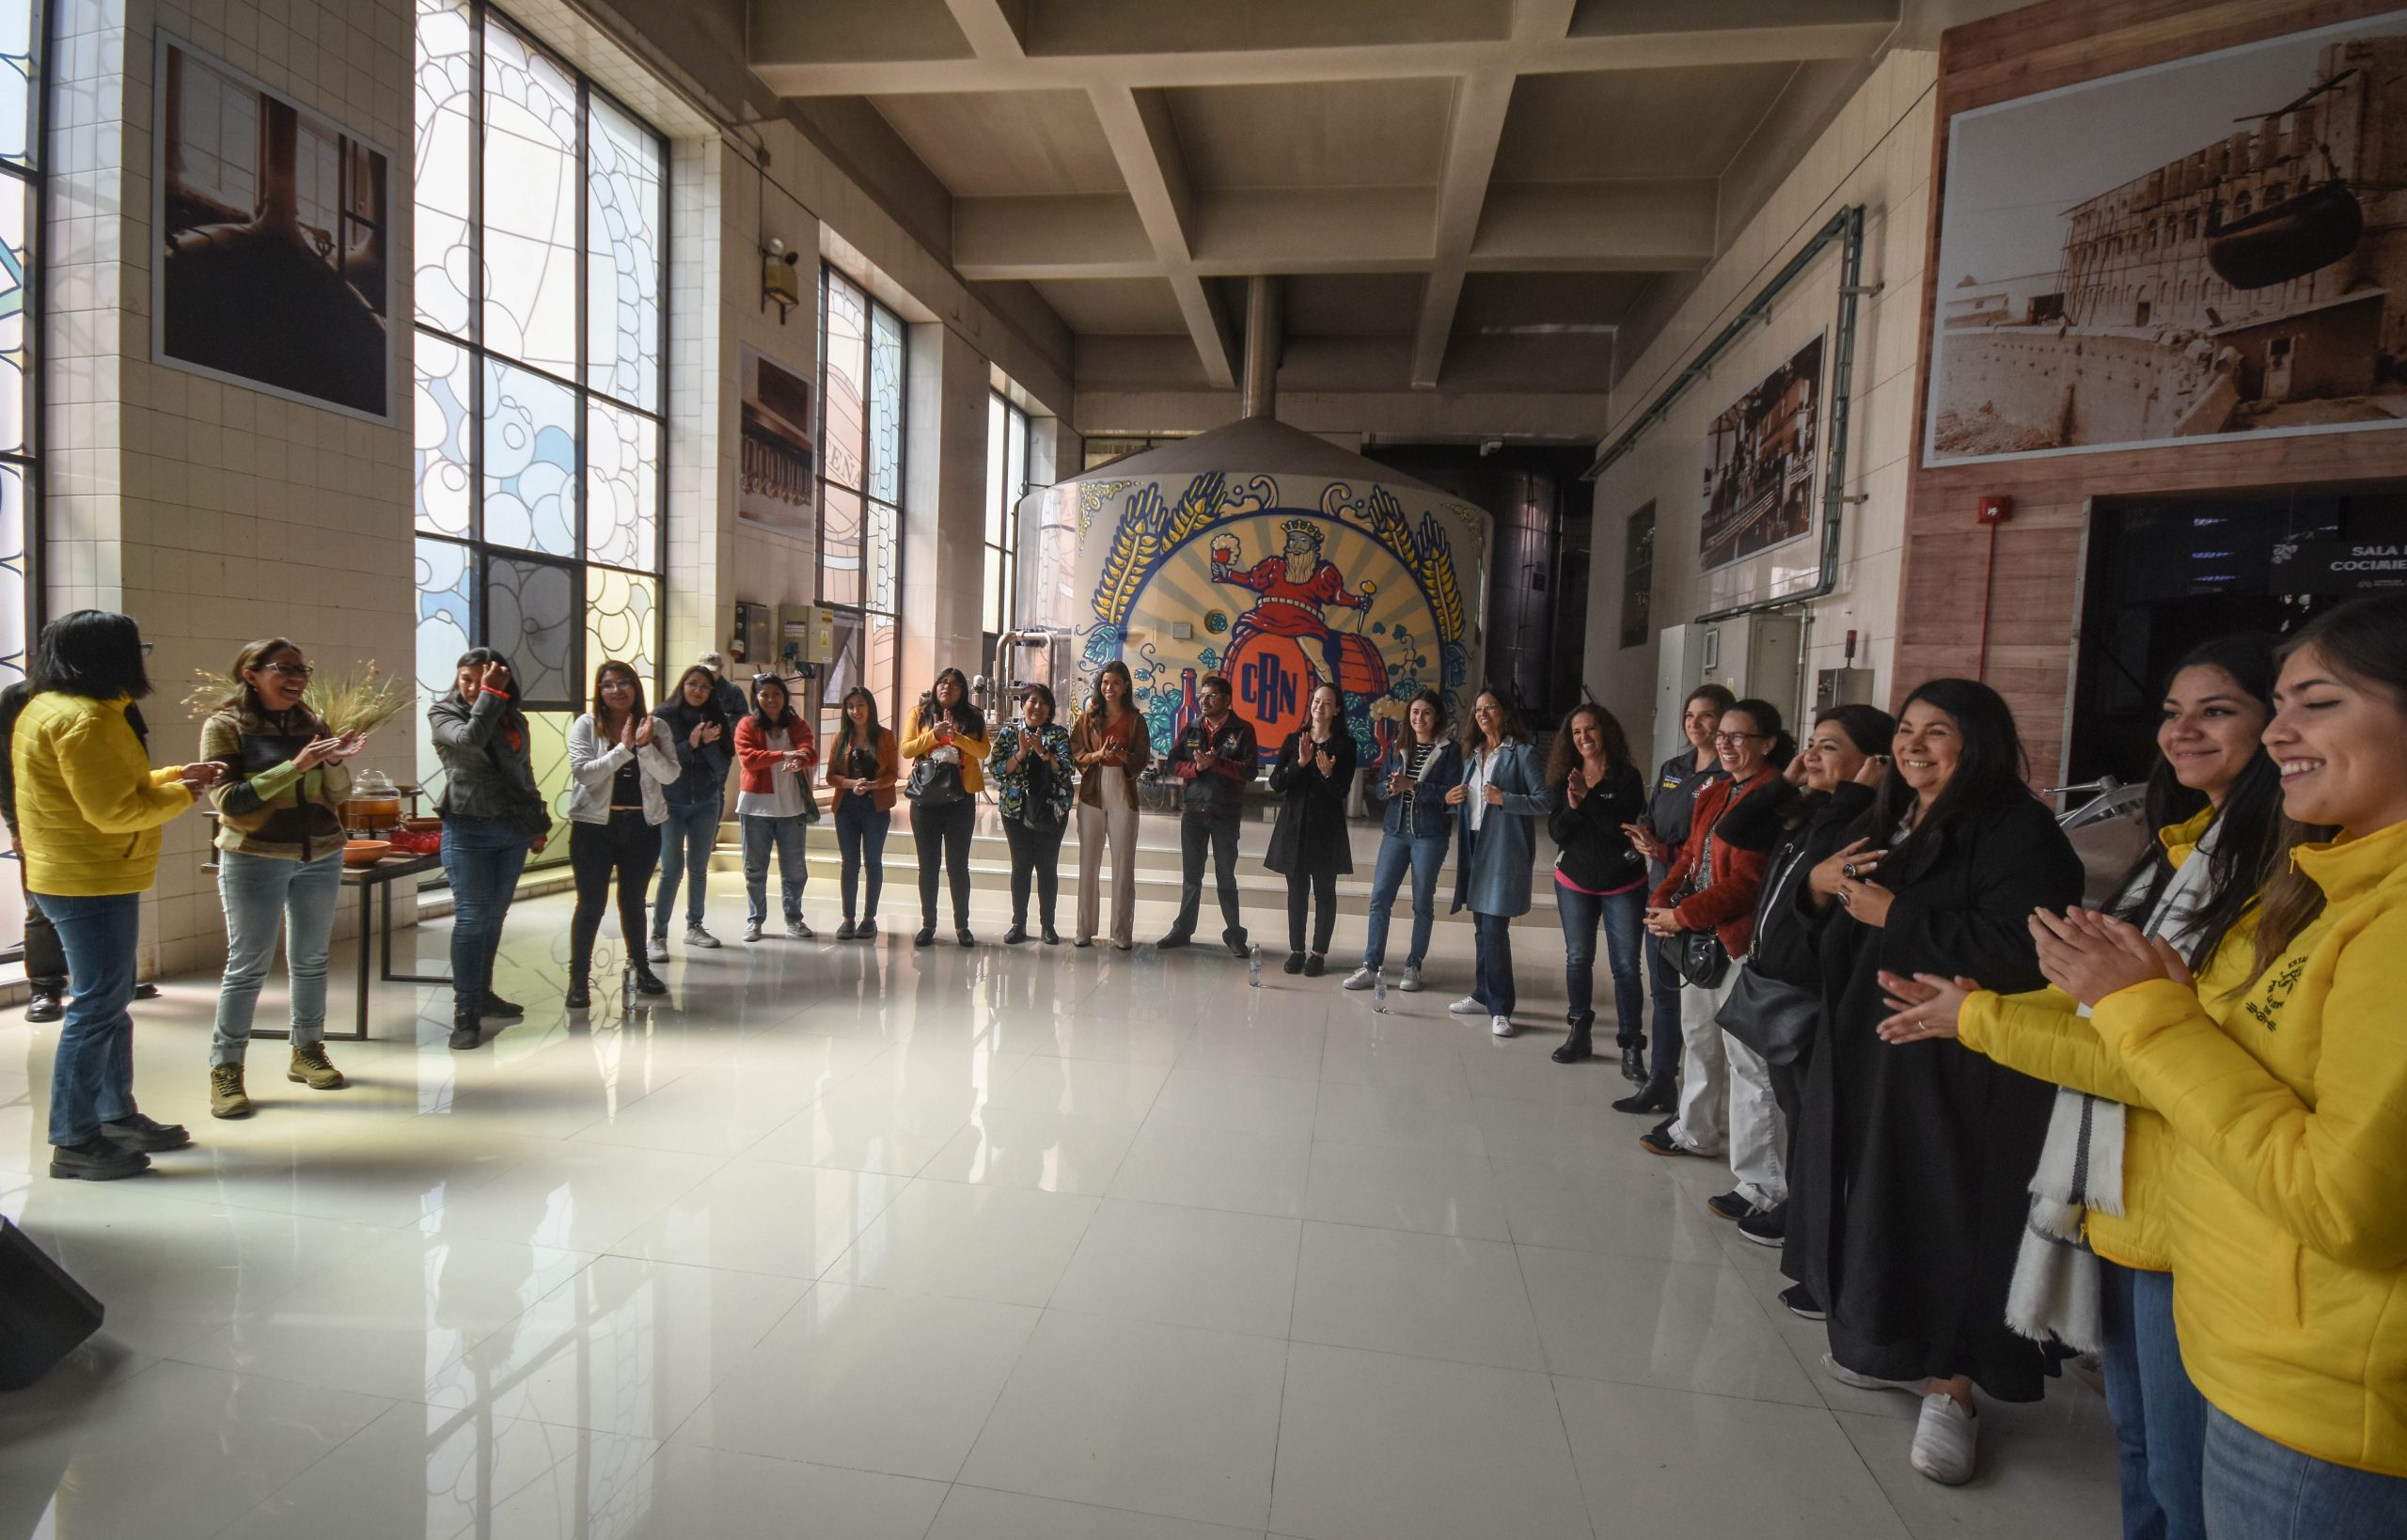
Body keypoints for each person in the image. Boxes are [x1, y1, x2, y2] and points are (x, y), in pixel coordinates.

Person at [2011, 592, 2407, 1537]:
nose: (2279, 734)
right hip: (2245, 1325)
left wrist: (2136, 1007)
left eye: (2316, 702)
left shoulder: (2376, 915)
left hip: (2327, 1398)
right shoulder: (2325, 888)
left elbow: (2337, 1197)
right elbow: (2218, 1053)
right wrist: (1993, 1007)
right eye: (2275, 706)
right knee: (2152, 1464)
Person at [1874, 639, 2286, 1540]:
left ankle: (1960, 1383)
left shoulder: (2281, 875)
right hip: (2131, 1187)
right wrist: (1979, 1006)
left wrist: (1976, 1011)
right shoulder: (2187, 853)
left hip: (2200, 1201)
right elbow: (2093, 998)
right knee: (2144, 1448)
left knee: (2187, 1472)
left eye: (2216, 711)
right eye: (2172, 713)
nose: (2183, 731)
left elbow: (2146, 1032)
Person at [1784, 679, 2084, 1486]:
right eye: (1908, 729)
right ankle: (1885, 1339)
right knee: (1882, 1202)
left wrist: (1898, 917)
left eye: (1937, 731)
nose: (1914, 745)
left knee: (1954, 1214)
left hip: (1963, 1060)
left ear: (1977, 741)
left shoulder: (2020, 831)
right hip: (1871, 1044)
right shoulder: (1891, 817)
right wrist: (1821, 887)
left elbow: (2031, 949)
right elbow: (1827, 906)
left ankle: (1955, 1389)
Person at [13, 610, 224, 1178]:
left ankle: (113, 1114)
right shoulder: (87, 720)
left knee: (108, 1001)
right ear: (112, 657)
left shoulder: (51, 708)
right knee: (96, 1007)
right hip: (92, 877)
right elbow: (115, 811)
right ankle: (75, 1139)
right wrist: (184, 795)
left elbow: (113, 787)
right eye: (139, 648)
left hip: (76, 872)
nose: (144, 659)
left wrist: (180, 774)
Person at [1736, 702, 1895, 1271]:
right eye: (1811, 743)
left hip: (1814, 993)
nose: (1812, 756)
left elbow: (1834, 860)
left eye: (1828, 746)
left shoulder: (1858, 819)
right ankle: (1800, 1214)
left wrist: (1854, 794)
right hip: (1777, 984)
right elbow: (1738, 828)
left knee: (1817, 1122)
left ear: (1874, 761)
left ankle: (1813, 1231)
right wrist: (1788, 776)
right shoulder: (1811, 810)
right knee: (1795, 1109)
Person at [1633, 700, 1792, 1231]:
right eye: (1720, 736)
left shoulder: (1772, 797)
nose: (1723, 744)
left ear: (1768, 743)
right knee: (1697, 1037)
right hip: (1696, 935)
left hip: (1736, 941)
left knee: (1748, 1063)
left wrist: (1682, 915)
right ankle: (1696, 1130)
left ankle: (1764, 1183)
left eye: (1737, 736)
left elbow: (1747, 885)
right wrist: (1663, 899)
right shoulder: (1717, 789)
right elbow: (1689, 857)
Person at [197, 638, 367, 1118]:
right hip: (255, 854)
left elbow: (337, 796)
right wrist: (295, 765)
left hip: (322, 852)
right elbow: (229, 801)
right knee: (248, 966)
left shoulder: (313, 723)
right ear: (251, 675)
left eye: (303, 670)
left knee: (312, 959)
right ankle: (226, 1069)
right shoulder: (225, 725)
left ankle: (307, 1050)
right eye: (284, 669)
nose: (297, 679)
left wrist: (333, 762)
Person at [1614, 683, 1735, 1115]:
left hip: (1698, 901)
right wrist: (1644, 835)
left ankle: (1703, 1102)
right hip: (1659, 892)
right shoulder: (1674, 767)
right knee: (1663, 992)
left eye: (1706, 716)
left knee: (1700, 1004)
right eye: (1689, 716)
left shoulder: (1728, 776)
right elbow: (1653, 812)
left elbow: (1708, 845)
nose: (1695, 724)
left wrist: (1664, 850)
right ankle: (1662, 1079)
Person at [429, 648, 549, 1051]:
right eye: (467, 679)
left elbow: (522, 770)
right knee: (472, 918)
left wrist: (537, 822)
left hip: (511, 829)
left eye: (486, 678)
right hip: (469, 829)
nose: (474, 686)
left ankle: (483, 993)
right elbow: (471, 739)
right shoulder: (444, 715)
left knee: (495, 916)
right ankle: (465, 1013)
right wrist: (490, 696)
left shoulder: (515, 718)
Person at [564, 660, 676, 1008]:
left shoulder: (655, 726)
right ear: (599, 692)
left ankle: (641, 968)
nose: (617, 690)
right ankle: (578, 981)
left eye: (624, 683)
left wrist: (644, 747)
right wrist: (623, 750)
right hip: (593, 829)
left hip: (642, 828)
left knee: (633, 902)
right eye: (608, 685)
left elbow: (670, 774)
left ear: (635, 687)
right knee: (591, 905)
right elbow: (584, 774)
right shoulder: (586, 725)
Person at [1545, 701, 1648, 1067]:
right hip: (1575, 881)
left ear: (1605, 731)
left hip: (1623, 883)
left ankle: (1631, 1044)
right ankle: (1579, 1032)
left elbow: (1621, 832)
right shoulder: (1564, 778)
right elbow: (1557, 831)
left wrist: (1587, 802)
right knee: (1578, 958)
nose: (1584, 737)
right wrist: (1573, 807)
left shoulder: (1627, 777)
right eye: (1576, 732)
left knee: (1625, 966)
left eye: (1590, 729)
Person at [1345, 688, 1460, 994]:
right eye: (1414, 712)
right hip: (1395, 832)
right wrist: (1390, 788)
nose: (1419, 718)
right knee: (1380, 898)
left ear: (1436, 717)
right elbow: (1381, 787)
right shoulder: (1399, 745)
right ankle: (1371, 966)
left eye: (1426, 713)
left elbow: (1451, 794)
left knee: (1422, 903)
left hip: (1429, 836)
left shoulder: (1449, 751)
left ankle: (1414, 965)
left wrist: (1414, 787)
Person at [1445, 689, 1547, 1037]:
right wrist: (1451, 799)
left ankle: (1501, 1007)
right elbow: (1467, 802)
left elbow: (1543, 801)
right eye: (1477, 709)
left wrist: (1506, 799)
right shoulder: (1472, 755)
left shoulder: (1523, 754)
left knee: (1493, 929)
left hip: (1503, 849)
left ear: (1504, 713)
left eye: (1490, 707)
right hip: (1474, 843)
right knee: (1480, 927)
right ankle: (1482, 992)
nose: (1483, 713)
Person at [1157, 671, 1259, 955]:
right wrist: (1197, 769)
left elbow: (1250, 771)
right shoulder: (1191, 728)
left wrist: (1218, 763)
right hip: (1193, 812)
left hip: (1225, 812)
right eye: (1202, 695)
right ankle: (1183, 929)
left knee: (1226, 877)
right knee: (1192, 876)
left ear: (1227, 700)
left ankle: (1235, 935)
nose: (1204, 700)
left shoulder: (1243, 730)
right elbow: (1172, 764)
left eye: (1211, 695)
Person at [1266, 682, 1358, 975]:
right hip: (1294, 825)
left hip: (1326, 829)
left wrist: (1328, 774)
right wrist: (1301, 765)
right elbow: (1277, 783)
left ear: (1337, 710)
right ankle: (1297, 950)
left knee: (1325, 891)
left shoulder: (1345, 746)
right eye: (1316, 700)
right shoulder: (1295, 741)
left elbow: (1341, 791)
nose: (1319, 706)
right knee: (1296, 890)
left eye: (1327, 703)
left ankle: (1318, 953)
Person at [902, 667, 988, 947]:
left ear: (962, 691)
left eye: (953, 684)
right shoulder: (920, 713)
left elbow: (983, 751)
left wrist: (955, 736)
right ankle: (928, 924)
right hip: (925, 800)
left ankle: (962, 926)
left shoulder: (973, 717)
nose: (946, 688)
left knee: (957, 866)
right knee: (928, 866)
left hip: (960, 799)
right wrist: (935, 735)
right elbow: (906, 749)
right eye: (942, 682)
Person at [1069, 660, 1151, 950]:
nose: (1109, 688)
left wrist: (1124, 755)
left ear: (1125, 686)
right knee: (1088, 863)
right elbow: (1076, 750)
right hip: (1092, 791)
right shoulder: (1089, 716)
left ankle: (1121, 932)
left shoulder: (1135, 719)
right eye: (1105, 683)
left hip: (1123, 792)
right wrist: (1098, 755)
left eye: (1116, 683)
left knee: (1123, 864)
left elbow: (1142, 756)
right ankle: (1084, 929)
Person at [651, 664, 732, 956]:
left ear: (712, 691)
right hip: (671, 803)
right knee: (671, 870)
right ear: (683, 685)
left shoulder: (717, 719)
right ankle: (658, 936)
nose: (698, 691)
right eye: (693, 684)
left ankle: (694, 926)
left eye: (705, 687)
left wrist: (708, 744)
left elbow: (723, 765)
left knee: (698, 869)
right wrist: (692, 744)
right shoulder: (663, 717)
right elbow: (659, 762)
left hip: (706, 804)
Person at [733, 672, 819, 944]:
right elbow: (749, 760)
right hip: (755, 808)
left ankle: (794, 918)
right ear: (756, 697)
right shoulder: (746, 725)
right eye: (765, 694)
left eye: (776, 694)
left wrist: (801, 760)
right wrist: (783, 755)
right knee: (754, 869)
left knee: (794, 869)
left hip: (791, 808)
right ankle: (755, 920)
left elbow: (810, 751)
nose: (771, 699)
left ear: (785, 697)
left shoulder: (796, 723)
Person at [988, 684, 1074, 945]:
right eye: (1032, 701)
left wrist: (1041, 752)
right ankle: (1018, 923)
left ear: (1050, 709)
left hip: (1051, 808)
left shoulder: (1059, 734)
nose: (1037, 707)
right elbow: (997, 770)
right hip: (1015, 810)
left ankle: (1048, 925)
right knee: (1021, 865)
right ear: (1023, 704)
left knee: (1047, 867)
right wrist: (1022, 752)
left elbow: (1066, 770)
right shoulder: (1009, 733)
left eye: (1043, 703)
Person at [825, 685, 897, 939]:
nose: (856, 711)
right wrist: (850, 784)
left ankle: (869, 918)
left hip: (875, 806)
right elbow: (830, 776)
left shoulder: (885, 736)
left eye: (861, 705)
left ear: (870, 708)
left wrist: (873, 785)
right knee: (850, 863)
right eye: (851, 706)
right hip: (846, 807)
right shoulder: (841, 737)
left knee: (873, 861)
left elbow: (893, 774)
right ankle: (848, 918)